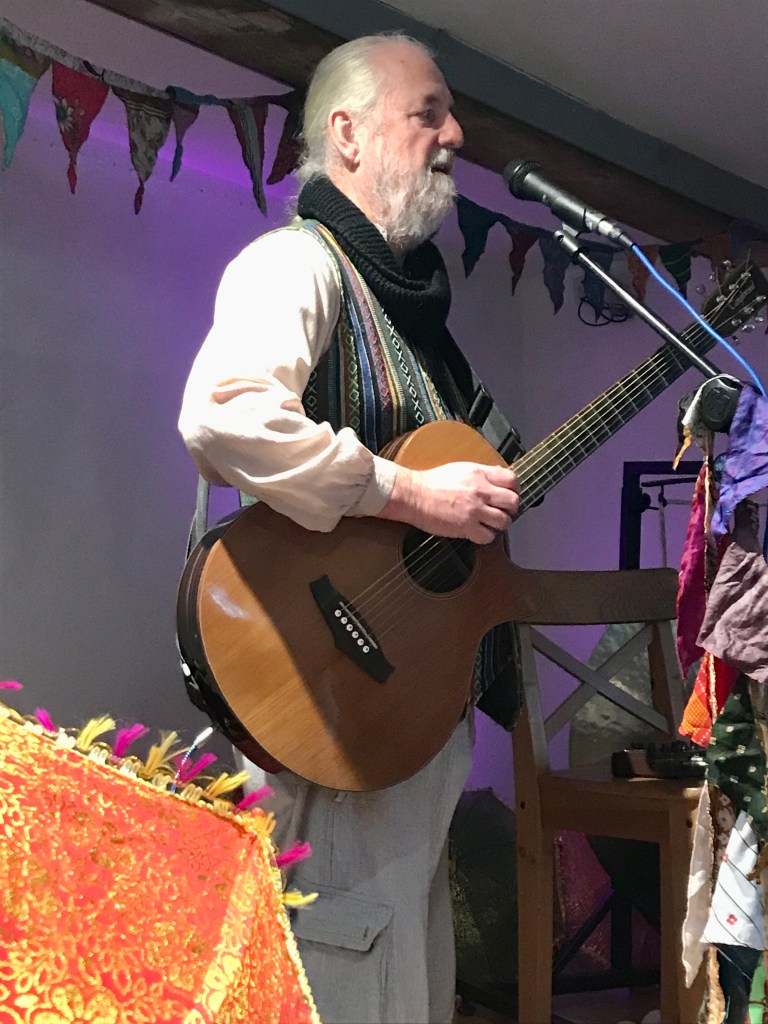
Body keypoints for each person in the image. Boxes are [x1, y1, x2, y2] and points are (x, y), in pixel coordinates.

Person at [179, 32, 522, 1024]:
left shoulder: (423, 331)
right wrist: (415, 498)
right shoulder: (295, 262)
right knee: (339, 979)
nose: (456, 133)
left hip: (402, 714)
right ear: (350, 134)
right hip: (323, 704)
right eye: (429, 112)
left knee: (404, 982)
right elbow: (224, 415)